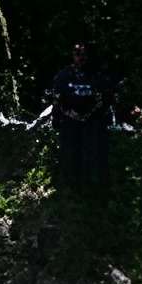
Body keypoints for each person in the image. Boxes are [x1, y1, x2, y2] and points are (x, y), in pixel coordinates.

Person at [31, 41, 121, 184]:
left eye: (84, 54)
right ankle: (70, 189)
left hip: (93, 125)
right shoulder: (64, 75)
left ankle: (93, 189)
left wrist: (90, 115)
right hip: (70, 124)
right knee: (70, 156)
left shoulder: (98, 75)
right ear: (73, 55)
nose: (81, 57)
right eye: (78, 54)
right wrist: (65, 115)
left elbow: (106, 98)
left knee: (93, 157)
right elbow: (56, 98)